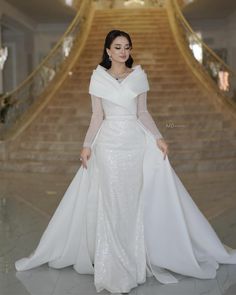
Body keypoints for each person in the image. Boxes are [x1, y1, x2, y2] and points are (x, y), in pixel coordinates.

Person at [15, 30, 236, 294]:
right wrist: (86, 145)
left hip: (135, 144)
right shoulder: (97, 77)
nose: (123, 51)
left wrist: (158, 137)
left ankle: (134, 257)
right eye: (117, 47)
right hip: (108, 145)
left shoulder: (139, 76)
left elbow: (142, 112)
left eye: (127, 47)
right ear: (108, 51)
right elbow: (97, 116)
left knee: (131, 202)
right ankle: (114, 265)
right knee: (111, 201)